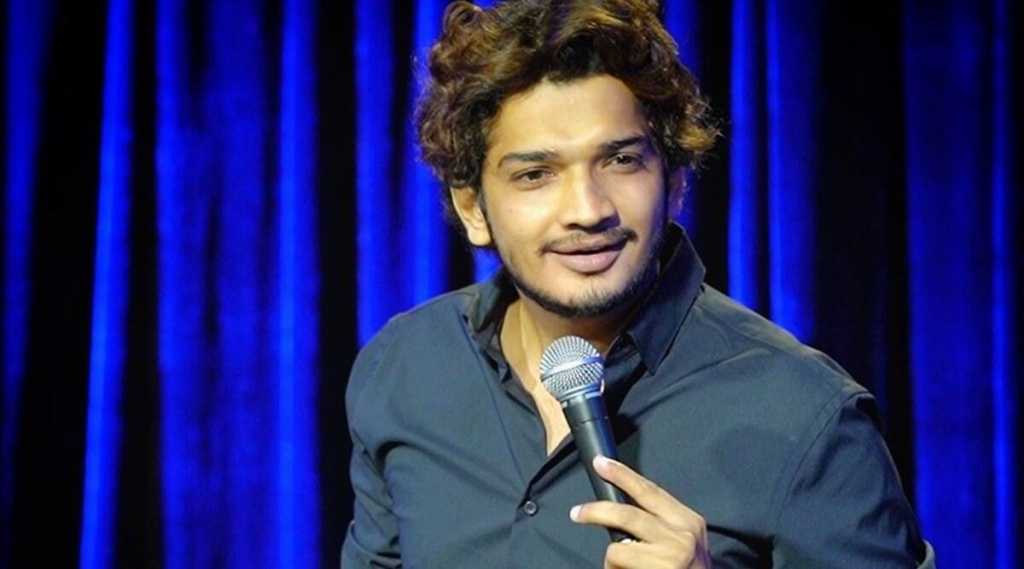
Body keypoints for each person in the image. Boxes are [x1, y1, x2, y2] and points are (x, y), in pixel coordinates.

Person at [342, 1, 930, 567]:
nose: (587, 210)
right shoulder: (405, 367)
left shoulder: (808, 415)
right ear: (472, 208)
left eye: (621, 161)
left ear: (674, 181)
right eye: (536, 174)